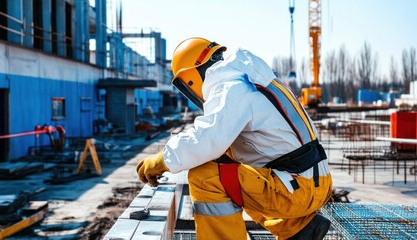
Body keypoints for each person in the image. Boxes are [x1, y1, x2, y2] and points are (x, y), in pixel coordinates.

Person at [136, 37, 332, 240]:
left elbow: (206, 140)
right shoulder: (249, 80)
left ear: (191, 78)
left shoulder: (231, 88)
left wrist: (163, 159)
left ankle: (291, 225)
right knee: (227, 161)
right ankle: (299, 228)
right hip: (309, 184)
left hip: (298, 191)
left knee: (205, 176)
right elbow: (214, 142)